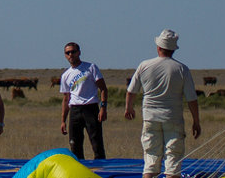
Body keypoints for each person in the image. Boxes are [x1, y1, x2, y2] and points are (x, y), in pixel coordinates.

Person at [125, 29, 201, 178]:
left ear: (158, 47)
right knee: (173, 158)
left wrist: (129, 108)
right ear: (173, 49)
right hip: (172, 118)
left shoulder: (144, 65)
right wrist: (196, 121)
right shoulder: (181, 69)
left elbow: (131, 91)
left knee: (151, 158)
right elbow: (192, 98)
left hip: (150, 117)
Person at [60, 41, 109, 160]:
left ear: (79, 53)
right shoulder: (66, 75)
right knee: (74, 145)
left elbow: (103, 89)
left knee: (96, 143)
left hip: (90, 108)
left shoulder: (90, 68)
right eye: (68, 53)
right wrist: (63, 120)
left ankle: (101, 171)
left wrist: (103, 108)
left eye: (73, 52)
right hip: (75, 111)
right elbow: (66, 98)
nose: (70, 54)